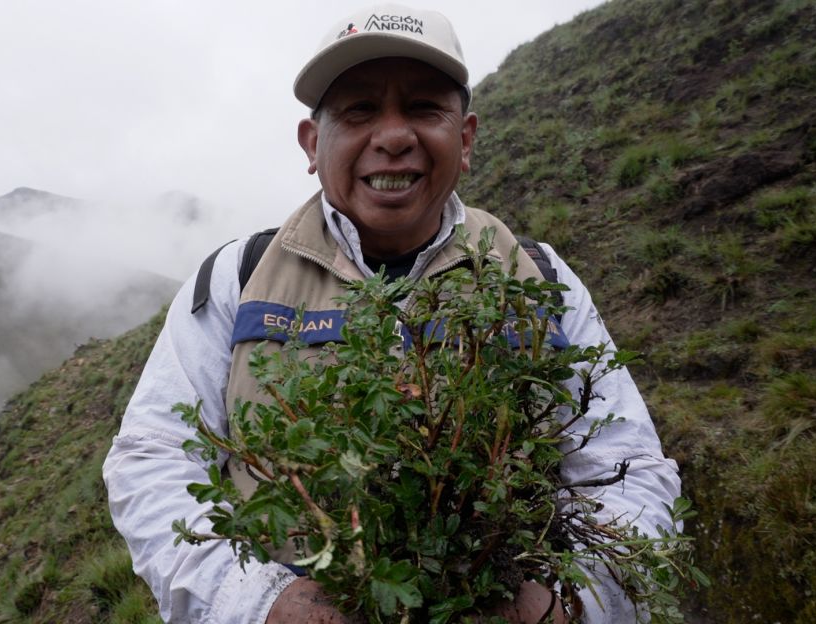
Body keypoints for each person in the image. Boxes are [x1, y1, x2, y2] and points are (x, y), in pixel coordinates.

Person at [103, 4, 681, 623]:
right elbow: (152, 456)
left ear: (465, 139)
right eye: (358, 111)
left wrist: (574, 603)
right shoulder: (236, 278)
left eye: (425, 108)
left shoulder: (538, 278)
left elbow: (629, 465)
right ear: (311, 143)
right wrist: (258, 603)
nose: (393, 136)